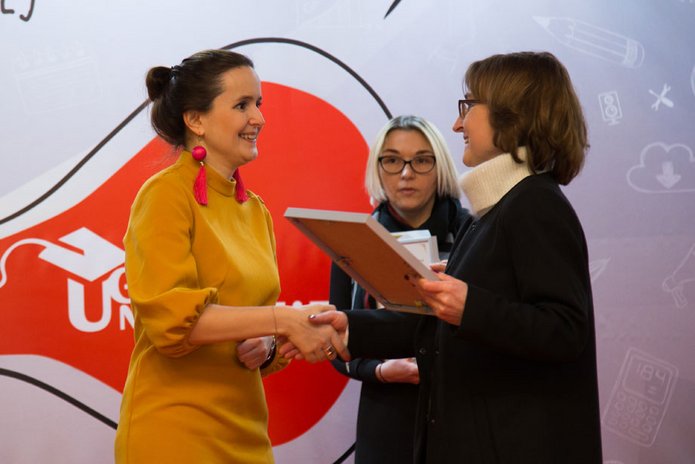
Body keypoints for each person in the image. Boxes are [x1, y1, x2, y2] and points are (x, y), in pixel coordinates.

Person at [298, 51, 603, 463]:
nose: (458, 124)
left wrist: (469, 306)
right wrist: (349, 327)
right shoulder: (497, 211)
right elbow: (439, 328)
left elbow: (566, 330)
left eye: (469, 106)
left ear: (511, 114)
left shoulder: (534, 205)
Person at [114, 49, 347, 464]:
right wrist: (284, 320)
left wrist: (268, 346)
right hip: (174, 435)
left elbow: (251, 327)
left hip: (247, 433)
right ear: (195, 120)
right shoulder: (164, 195)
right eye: (242, 105)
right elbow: (172, 324)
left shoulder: (254, 209)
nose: (259, 118)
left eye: (259, 103)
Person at [329, 115, 472, 463]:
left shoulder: (474, 234)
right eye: (392, 160)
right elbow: (336, 342)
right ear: (378, 168)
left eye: (421, 160)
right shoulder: (353, 240)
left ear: (440, 166)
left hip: (462, 415)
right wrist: (379, 370)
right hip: (385, 420)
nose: (406, 173)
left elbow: (491, 324)